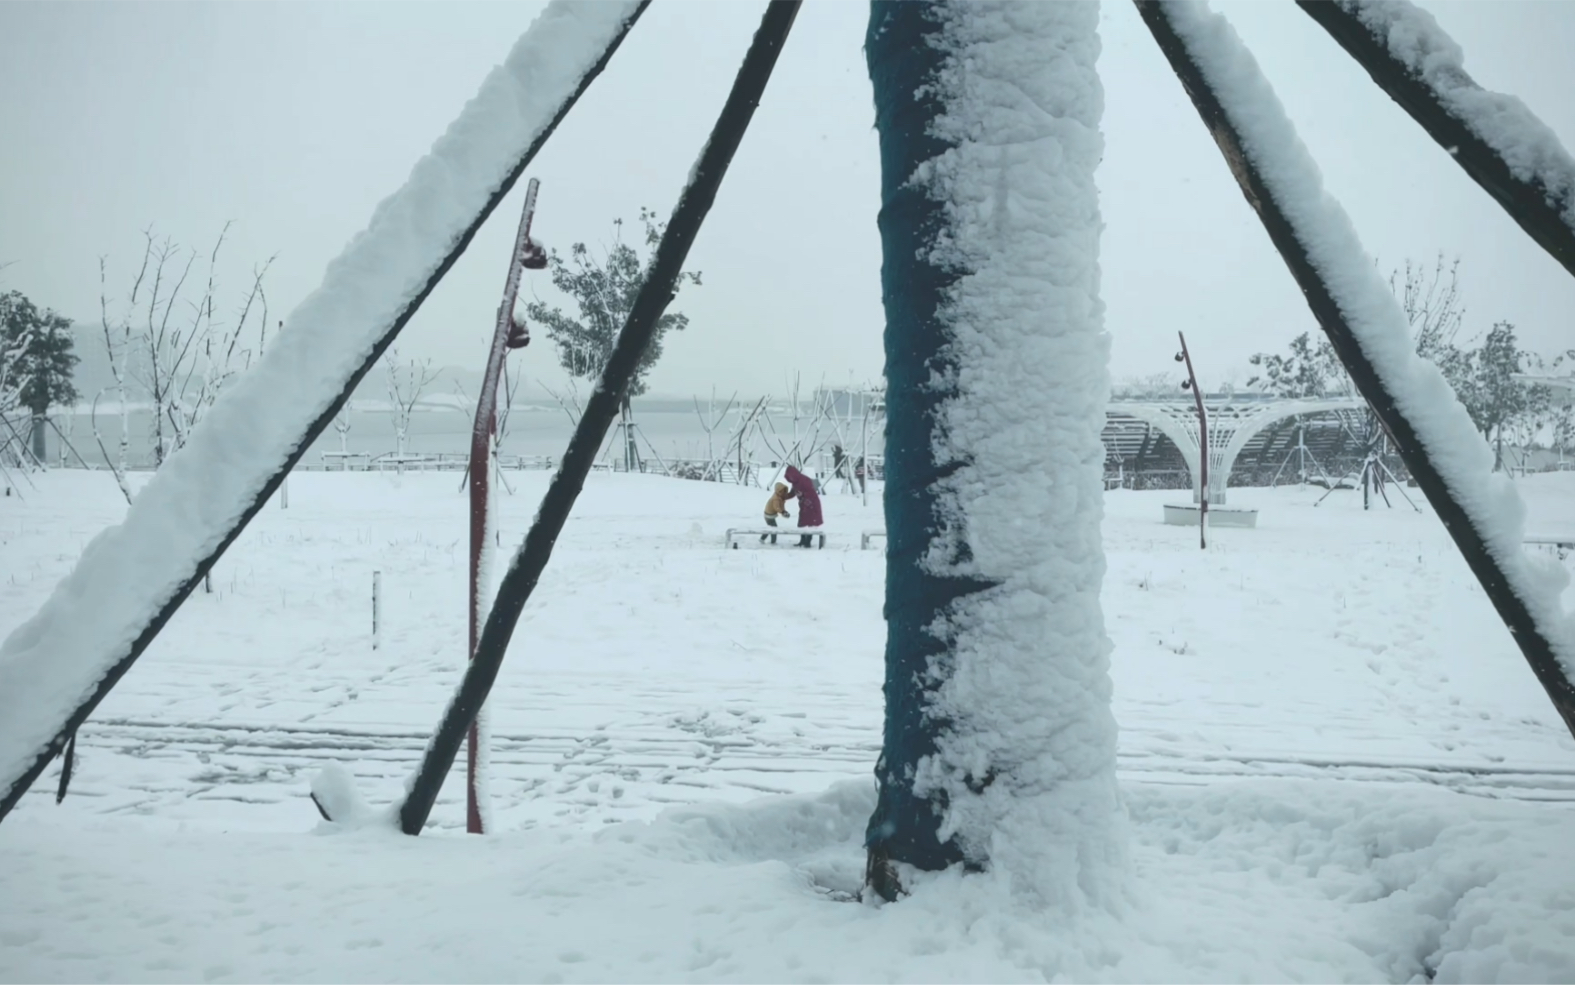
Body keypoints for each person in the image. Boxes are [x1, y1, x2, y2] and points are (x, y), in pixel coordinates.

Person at [783, 464, 823, 547]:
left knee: (810, 524)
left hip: (812, 504)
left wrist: (803, 494)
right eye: (789, 478)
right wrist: (783, 497)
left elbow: (812, 492)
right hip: (804, 505)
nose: (791, 479)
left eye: (791, 477)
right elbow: (793, 493)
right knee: (802, 523)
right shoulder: (795, 482)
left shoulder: (804, 480)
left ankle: (808, 542)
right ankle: (802, 541)